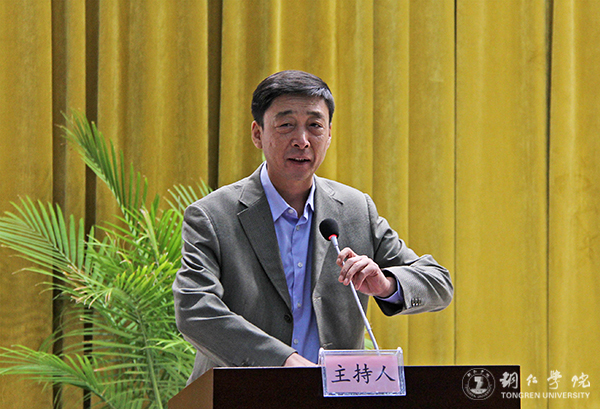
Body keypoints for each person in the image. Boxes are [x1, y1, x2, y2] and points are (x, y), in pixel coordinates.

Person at [173, 70, 453, 383]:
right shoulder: (213, 216)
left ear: (329, 134)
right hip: (241, 393)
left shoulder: (355, 210)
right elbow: (195, 309)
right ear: (257, 133)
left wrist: (386, 285)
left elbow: (438, 283)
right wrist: (282, 360)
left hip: (333, 396)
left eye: (315, 126)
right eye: (286, 125)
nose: (302, 141)